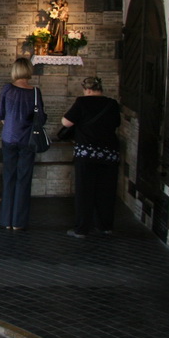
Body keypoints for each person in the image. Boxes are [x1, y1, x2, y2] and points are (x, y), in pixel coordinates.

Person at [60, 77, 122, 237]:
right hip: (109, 153)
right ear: (100, 88)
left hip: (87, 152)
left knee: (84, 191)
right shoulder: (112, 104)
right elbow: (117, 123)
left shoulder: (82, 102)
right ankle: (105, 226)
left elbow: (66, 122)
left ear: (87, 89)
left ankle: (81, 228)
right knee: (106, 190)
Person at [0, 58, 42, 231]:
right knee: (24, 179)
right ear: (29, 70)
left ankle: (6, 220)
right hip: (28, 140)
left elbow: (1, 114)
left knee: (9, 177)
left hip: (9, 137)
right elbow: (41, 117)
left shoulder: (7, 89)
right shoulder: (35, 92)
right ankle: (18, 222)